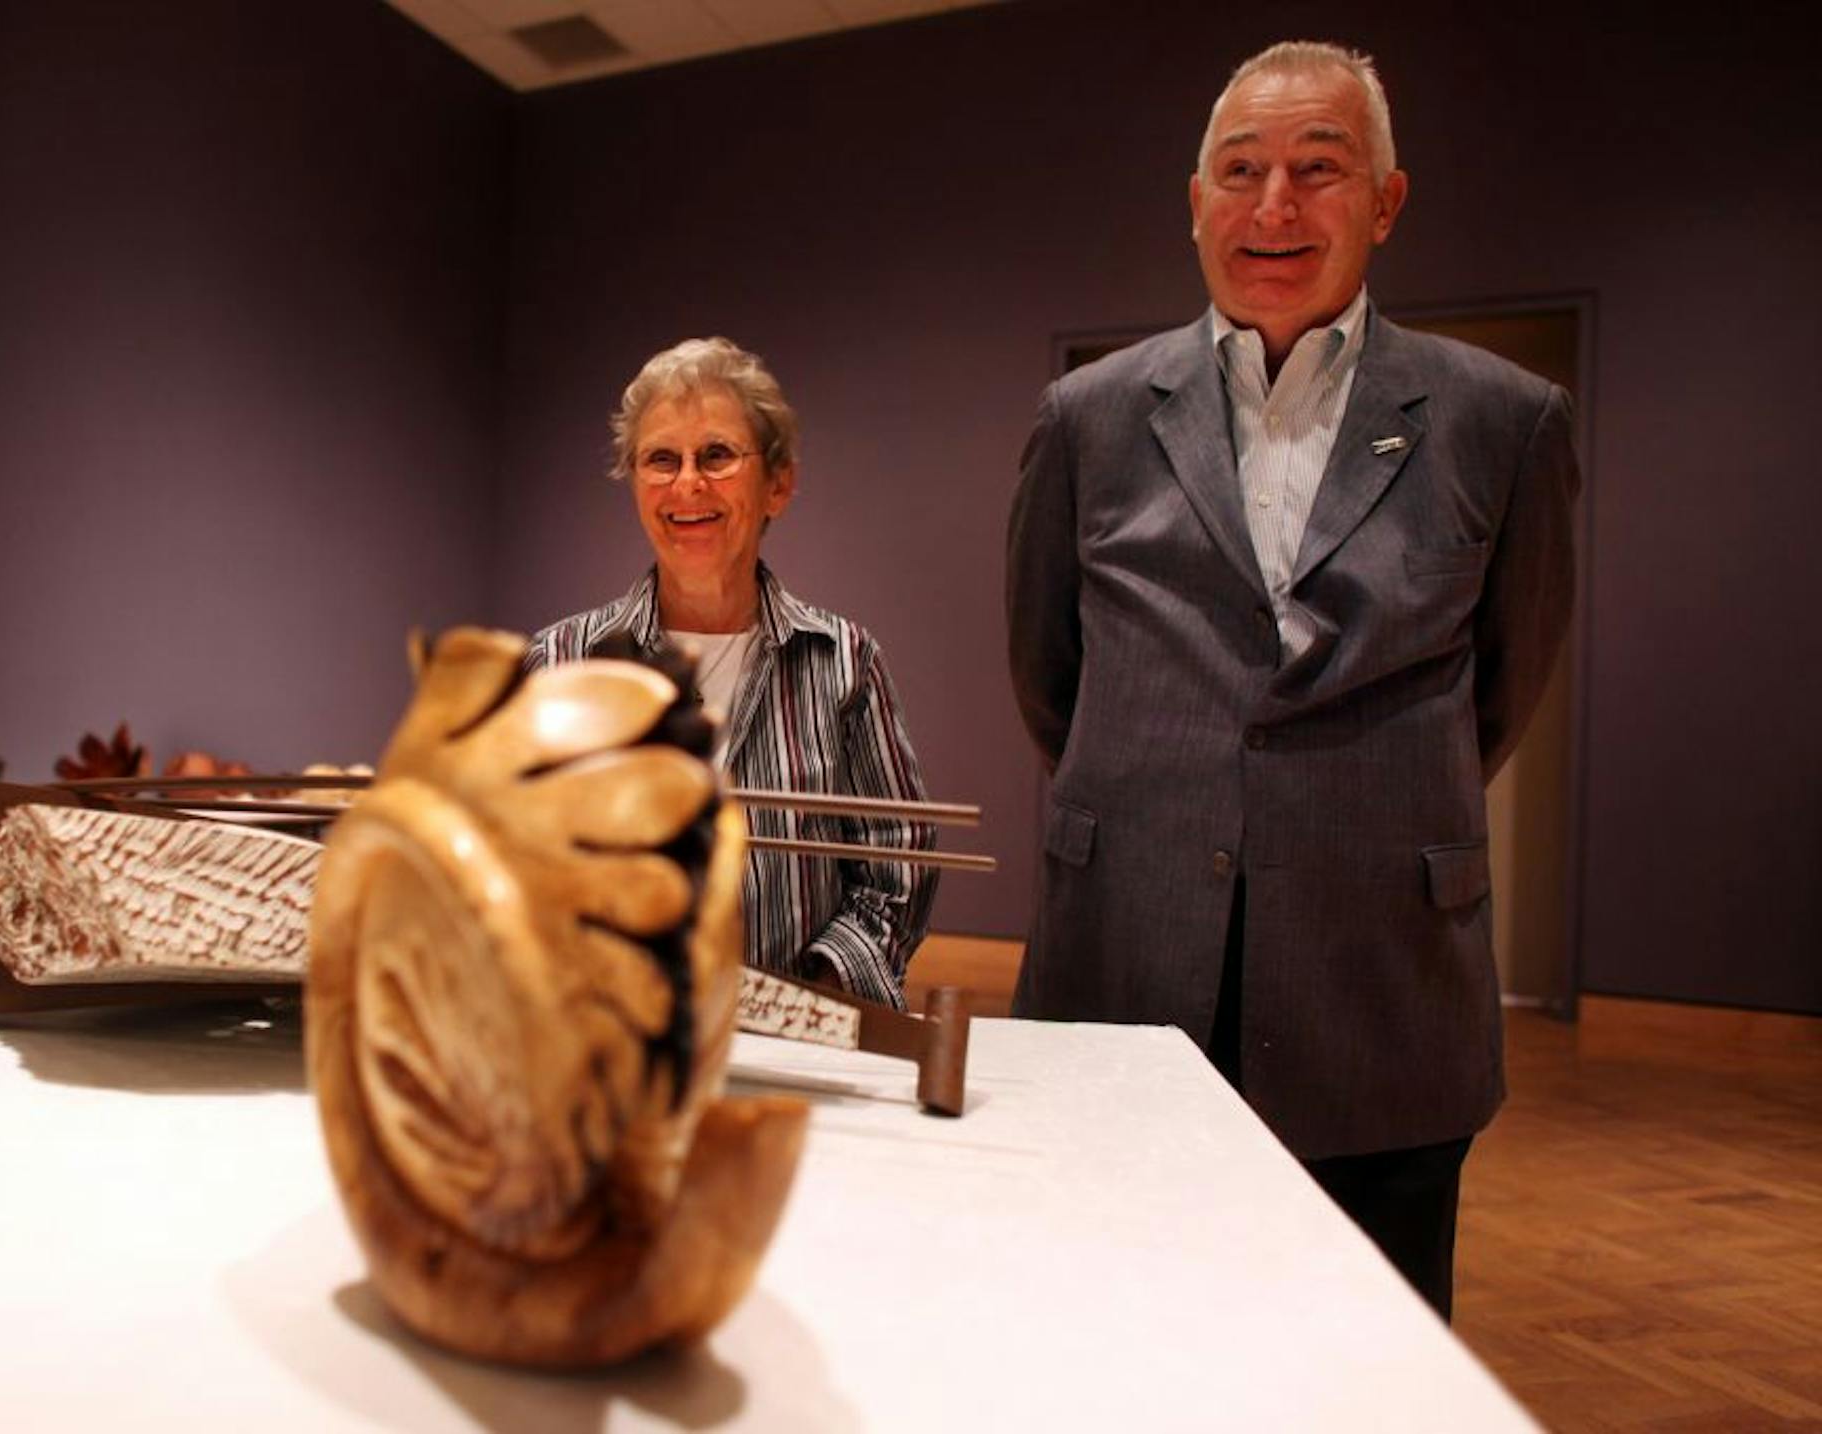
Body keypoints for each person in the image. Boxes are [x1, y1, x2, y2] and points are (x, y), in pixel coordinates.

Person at [1004, 41, 1578, 1319]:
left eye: (1319, 171)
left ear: (1385, 203)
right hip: (1124, 970)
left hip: (1383, 999)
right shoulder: (1086, 417)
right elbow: (1051, 675)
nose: (1274, 208)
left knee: (1361, 1363)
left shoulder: (1505, 420)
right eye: (1241, 170)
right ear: (1195, 198)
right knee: (1112, 1342)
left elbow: (1506, 677)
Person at [529, 337, 938, 1008]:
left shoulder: (844, 661)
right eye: (661, 459)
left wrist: (803, 1002)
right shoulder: (560, 662)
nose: (688, 484)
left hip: (798, 1058)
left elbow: (901, 858)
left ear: (778, 484)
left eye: (716, 455)